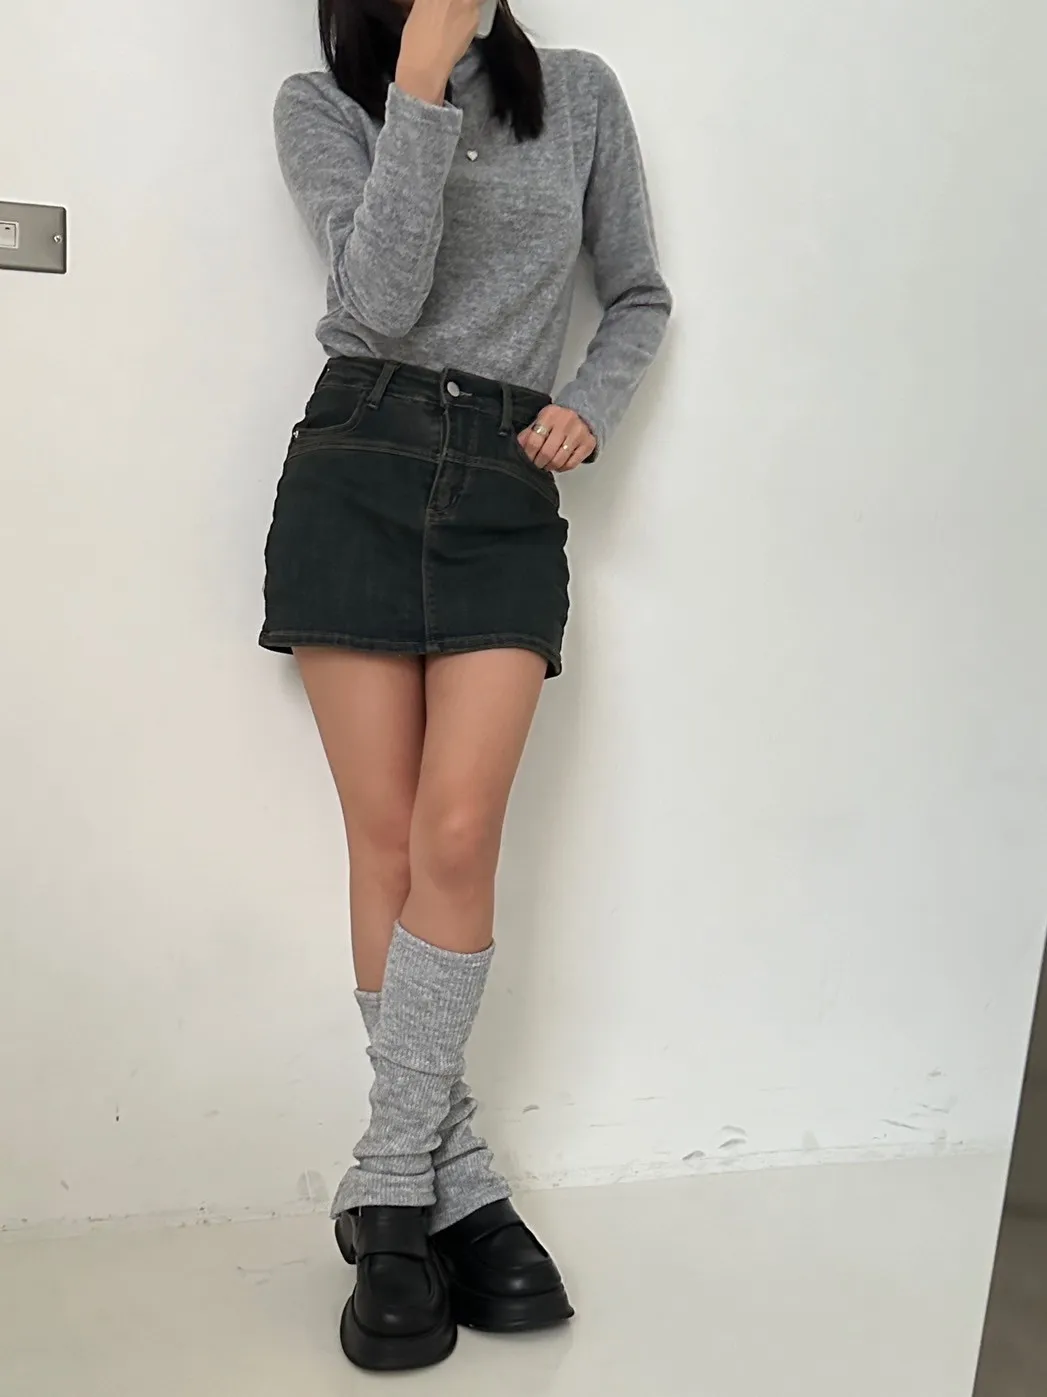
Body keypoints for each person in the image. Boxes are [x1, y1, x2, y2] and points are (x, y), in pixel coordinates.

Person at [260, 0, 671, 1372]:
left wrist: (590, 405)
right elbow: (372, 308)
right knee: (384, 840)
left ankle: (391, 1183)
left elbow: (638, 293)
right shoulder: (322, 107)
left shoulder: (580, 92)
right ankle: (458, 1185)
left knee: (457, 833)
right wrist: (421, 83)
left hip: (504, 487)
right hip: (357, 462)